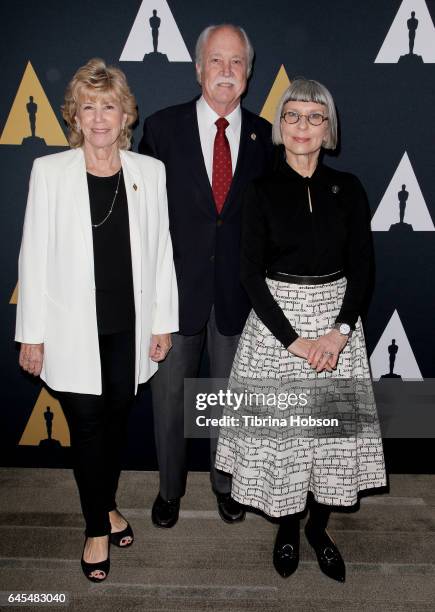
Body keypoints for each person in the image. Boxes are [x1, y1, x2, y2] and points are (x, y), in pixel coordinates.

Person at [215, 79, 387, 581]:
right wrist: (294, 341)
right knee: (286, 440)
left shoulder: (349, 187)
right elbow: (250, 274)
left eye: (315, 117)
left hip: (338, 326)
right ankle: (288, 527)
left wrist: (338, 333)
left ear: (328, 128)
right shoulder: (260, 191)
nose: (303, 126)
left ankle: (318, 528)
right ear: (280, 127)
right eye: (293, 116)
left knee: (330, 441)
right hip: (277, 331)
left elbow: (363, 267)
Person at [15, 58, 178, 582]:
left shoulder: (149, 173)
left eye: (109, 105)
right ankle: (95, 527)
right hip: (70, 330)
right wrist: (31, 335)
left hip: (129, 328)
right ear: (75, 116)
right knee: (86, 427)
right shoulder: (50, 172)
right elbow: (32, 257)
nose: (100, 117)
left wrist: (161, 323)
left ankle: (105, 504)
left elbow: (161, 253)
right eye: (89, 107)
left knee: (114, 423)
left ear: (126, 113)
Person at [139, 24, 274, 528]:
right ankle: (169, 490)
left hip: (238, 296)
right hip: (173, 295)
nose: (225, 71)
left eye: (236, 62)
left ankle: (225, 484)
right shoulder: (161, 128)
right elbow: (142, 218)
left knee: (227, 401)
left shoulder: (266, 136)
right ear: (198, 68)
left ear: (248, 73)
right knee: (169, 400)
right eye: (216, 60)